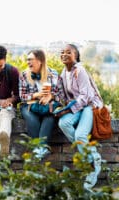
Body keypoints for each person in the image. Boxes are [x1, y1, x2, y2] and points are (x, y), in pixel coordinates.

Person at [57, 44, 103, 190]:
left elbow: (86, 96)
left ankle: (92, 167)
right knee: (63, 124)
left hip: (89, 105)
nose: (64, 54)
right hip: (77, 106)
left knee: (80, 135)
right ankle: (89, 155)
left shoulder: (80, 70)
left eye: (68, 52)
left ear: (75, 55)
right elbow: (65, 95)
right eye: (62, 52)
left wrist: (69, 110)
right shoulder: (64, 72)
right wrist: (57, 104)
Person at [19, 49, 64, 159]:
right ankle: (39, 150)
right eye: (27, 60)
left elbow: (61, 95)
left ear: (40, 61)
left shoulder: (53, 74)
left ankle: (39, 151)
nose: (28, 62)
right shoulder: (24, 75)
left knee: (49, 117)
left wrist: (51, 96)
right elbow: (22, 96)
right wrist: (36, 95)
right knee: (32, 119)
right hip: (29, 105)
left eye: (30, 60)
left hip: (47, 106)